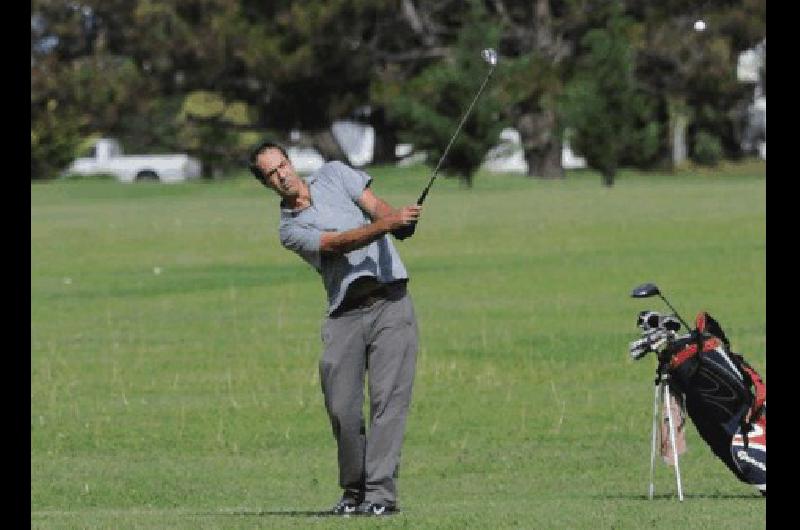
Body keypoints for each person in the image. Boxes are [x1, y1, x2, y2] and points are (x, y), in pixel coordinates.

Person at [249, 141, 422, 516]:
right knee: (342, 408)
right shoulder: (290, 229)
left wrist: (400, 222)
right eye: (272, 174)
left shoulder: (334, 174)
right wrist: (387, 226)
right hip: (345, 313)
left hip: (391, 302)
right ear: (266, 184)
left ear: (291, 162)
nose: (282, 175)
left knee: (387, 403)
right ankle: (354, 492)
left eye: (283, 165)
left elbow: (378, 208)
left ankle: (379, 497)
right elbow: (338, 243)